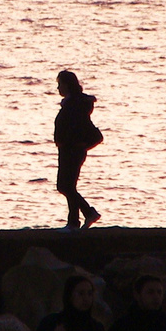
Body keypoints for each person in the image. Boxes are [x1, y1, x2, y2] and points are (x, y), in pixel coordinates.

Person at [54, 70, 102, 230]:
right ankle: (74, 221)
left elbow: (85, 130)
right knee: (68, 186)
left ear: (67, 85)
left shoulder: (74, 106)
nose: (58, 88)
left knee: (64, 186)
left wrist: (77, 145)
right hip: (68, 150)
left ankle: (87, 214)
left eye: (59, 84)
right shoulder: (73, 104)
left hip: (72, 151)